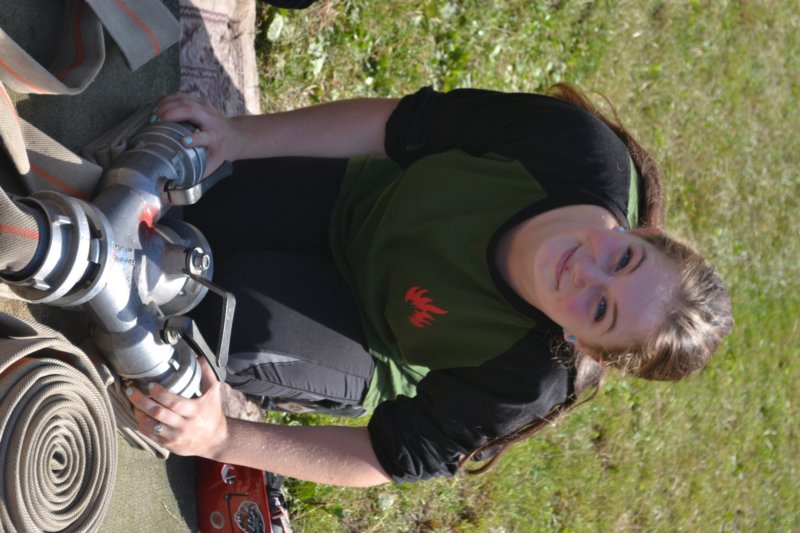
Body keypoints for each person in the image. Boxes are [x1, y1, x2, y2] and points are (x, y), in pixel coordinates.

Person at [127, 84, 732, 487]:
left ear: (586, 346)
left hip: (366, 333)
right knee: (192, 196)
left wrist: (221, 438)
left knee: (214, 314)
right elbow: (398, 123)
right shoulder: (577, 151)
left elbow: (386, 459)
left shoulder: (529, 379)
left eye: (600, 309)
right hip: (356, 199)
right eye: (624, 259)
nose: (586, 271)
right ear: (643, 232)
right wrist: (240, 136)